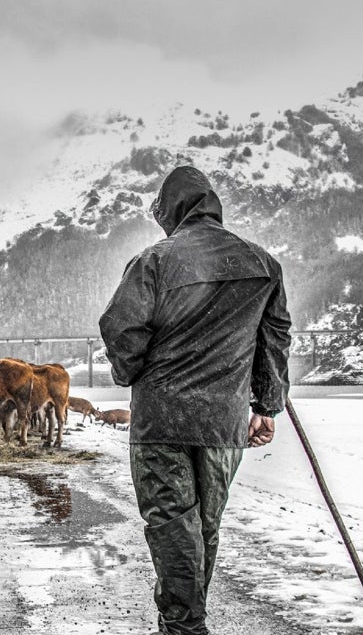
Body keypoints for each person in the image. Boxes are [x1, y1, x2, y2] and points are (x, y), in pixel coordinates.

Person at [98, 166, 291, 635]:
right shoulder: (263, 264)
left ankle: (184, 626)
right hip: (223, 422)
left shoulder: (155, 260)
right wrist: (267, 406)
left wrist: (129, 372)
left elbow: (121, 327)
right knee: (204, 523)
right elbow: (275, 338)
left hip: (162, 421)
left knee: (171, 524)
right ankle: (185, 621)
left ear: (172, 210)